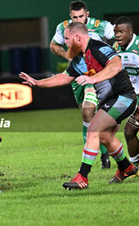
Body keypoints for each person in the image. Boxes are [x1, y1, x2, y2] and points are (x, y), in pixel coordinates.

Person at [20, 22, 137, 190]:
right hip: (110, 101)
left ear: (77, 37)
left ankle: (82, 177)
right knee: (104, 136)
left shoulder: (97, 48)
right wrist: (37, 83)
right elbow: (63, 78)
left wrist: (92, 79)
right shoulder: (78, 59)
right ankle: (127, 168)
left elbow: (116, 65)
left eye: (67, 39)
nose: (65, 43)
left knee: (93, 129)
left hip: (124, 98)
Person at [50, 1, 114, 169]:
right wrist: (67, 56)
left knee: (88, 111)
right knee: (87, 115)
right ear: (70, 16)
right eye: (74, 17)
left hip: (96, 76)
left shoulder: (101, 26)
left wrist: (110, 58)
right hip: (77, 75)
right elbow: (53, 45)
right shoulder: (63, 27)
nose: (78, 20)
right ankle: (102, 151)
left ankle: (94, 159)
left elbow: (119, 38)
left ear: (87, 14)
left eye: (81, 16)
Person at [112, 16, 139, 166]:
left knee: (129, 130)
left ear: (130, 31)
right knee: (129, 131)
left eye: (121, 32)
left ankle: (132, 167)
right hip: (130, 96)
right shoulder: (115, 48)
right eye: (116, 32)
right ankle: (134, 168)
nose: (117, 35)